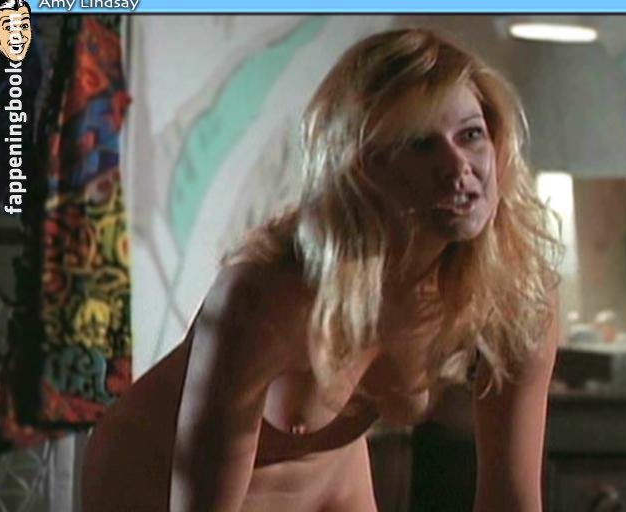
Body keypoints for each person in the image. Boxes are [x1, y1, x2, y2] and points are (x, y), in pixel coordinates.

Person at [82, 27, 562, 512]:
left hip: (328, 489)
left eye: (471, 135)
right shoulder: (268, 293)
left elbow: (513, 500)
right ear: (364, 167)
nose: (458, 167)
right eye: (420, 144)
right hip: (153, 477)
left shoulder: (519, 291)